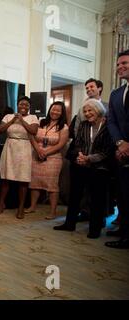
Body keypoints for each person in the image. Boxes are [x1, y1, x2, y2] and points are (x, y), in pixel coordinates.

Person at [54, 99, 113, 238]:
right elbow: (78, 142)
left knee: (97, 198)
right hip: (81, 163)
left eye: (90, 110)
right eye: (85, 111)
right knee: (75, 194)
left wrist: (89, 159)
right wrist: (81, 156)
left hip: (100, 166)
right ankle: (69, 224)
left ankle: (95, 229)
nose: (87, 114)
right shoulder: (84, 125)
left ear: (98, 110)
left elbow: (107, 150)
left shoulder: (109, 126)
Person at [0, 96, 39, 219]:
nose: (23, 107)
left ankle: (21, 207)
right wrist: (13, 120)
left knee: (23, 179)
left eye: (26, 105)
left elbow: (34, 131)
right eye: (21, 104)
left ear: (29, 107)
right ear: (17, 105)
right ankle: (1, 204)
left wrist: (22, 120)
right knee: (5, 178)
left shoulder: (33, 118)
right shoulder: (8, 116)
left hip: (24, 148)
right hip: (9, 147)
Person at [25, 101, 69, 219]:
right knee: (35, 182)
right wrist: (38, 150)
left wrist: (46, 152)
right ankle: (32, 206)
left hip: (53, 158)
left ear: (62, 113)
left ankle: (53, 211)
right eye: (53, 109)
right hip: (37, 155)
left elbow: (61, 144)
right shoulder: (41, 122)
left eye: (58, 110)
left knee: (51, 185)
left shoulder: (63, 127)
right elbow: (31, 136)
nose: (54, 112)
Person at [105, 49, 129, 249]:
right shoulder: (116, 94)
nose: (120, 67)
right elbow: (111, 122)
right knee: (122, 193)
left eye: (125, 63)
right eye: (118, 64)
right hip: (121, 152)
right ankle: (124, 231)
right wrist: (120, 143)